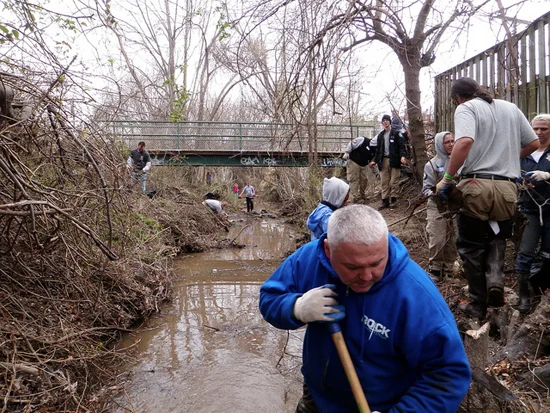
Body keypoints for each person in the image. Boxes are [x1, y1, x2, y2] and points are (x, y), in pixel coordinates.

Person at [259, 204, 471, 413]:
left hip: (380, 406)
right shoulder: (310, 259)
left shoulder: (415, 296)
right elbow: (269, 298)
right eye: (353, 267)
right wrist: (296, 308)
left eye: (376, 263)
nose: (367, 276)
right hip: (316, 397)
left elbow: (449, 373)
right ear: (328, 250)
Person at [436, 77, 539, 319]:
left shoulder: (466, 107)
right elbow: (533, 143)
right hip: (507, 188)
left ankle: (477, 304)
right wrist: (508, 159)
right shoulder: (510, 108)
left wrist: (448, 178)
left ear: (458, 98)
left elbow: (465, 142)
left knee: (471, 247)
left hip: (476, 185)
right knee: (497, 237)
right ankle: (495, 280)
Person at [515, 114, 550, 313]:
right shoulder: (524, 150)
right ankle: (524, 296)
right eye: (535, 128)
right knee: (526, 252)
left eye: (543, 129)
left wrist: (548, 175)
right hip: (529, 210)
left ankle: (541, 290)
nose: (538, 132)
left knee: (547, 253)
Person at [422, 131, 458, 281]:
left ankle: (449, 267)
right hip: (437, 205)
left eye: (452, 141)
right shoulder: (432, 164)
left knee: (454, 237)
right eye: (447, 142)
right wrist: (436, 192)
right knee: (438, 237)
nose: (451, 144)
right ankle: (435, 267)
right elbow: (425, 190)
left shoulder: (459, 161)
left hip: (455, 205)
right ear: (439, 145)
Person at [370, 114, 408, 210]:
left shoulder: (396, 133)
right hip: (383, 160)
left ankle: (394, 200)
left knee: (394, 181)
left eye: (386, 120)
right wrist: (375, 160)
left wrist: (403, 156)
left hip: (394, 159)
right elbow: (378, 149)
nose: (385, 122)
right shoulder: (381, 135)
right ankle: (385, 201)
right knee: (384, 182)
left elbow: (401, 146)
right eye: (383, 121)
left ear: (389, 122)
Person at [342, 136, 375, 203]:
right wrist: (347, 152)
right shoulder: (363, 140)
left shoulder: (376, 150)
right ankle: (355, 197)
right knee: (354, 179)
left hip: (364, 164)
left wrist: (376, 173)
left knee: (364, 180)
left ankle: (362, 195)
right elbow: (351, 144)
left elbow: (373, 163)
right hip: (353, 161)